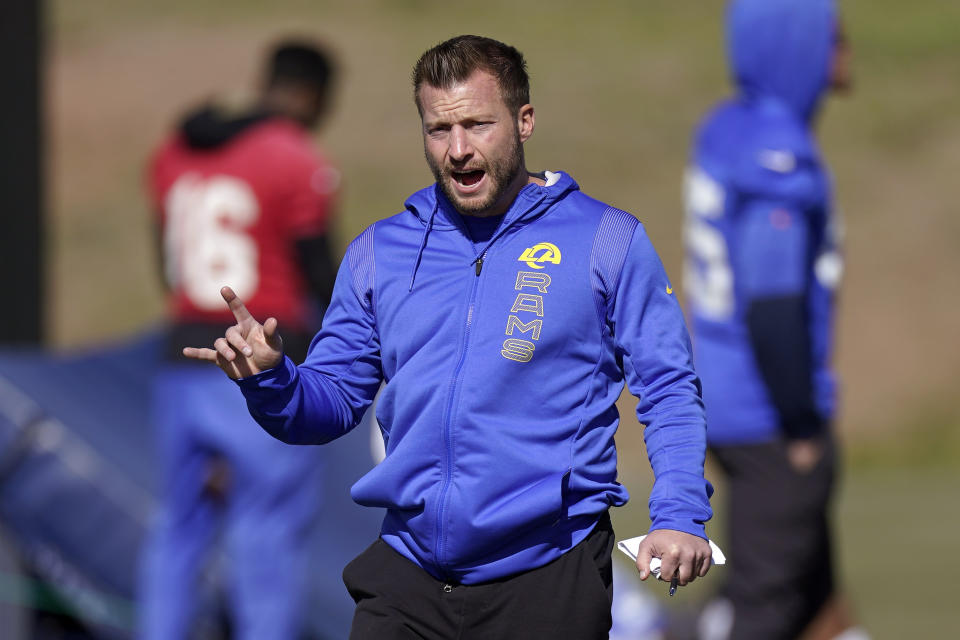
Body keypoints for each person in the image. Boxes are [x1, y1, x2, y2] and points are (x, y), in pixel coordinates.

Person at [185, 35, 714, 639]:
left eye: (477, 125)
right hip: (408, 576)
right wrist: (272, 380)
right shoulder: (380, 253)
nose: (458, 150)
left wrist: (679, 516)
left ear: (524, 121)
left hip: (547, 575)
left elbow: (670, 388)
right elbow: (327, 407)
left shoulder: (606, 241)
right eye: (439, 130)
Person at [139, 39, 340, 640]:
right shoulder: (293, 157)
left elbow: (167, 267)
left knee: (176, 528)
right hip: (256, 362)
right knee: (266, 533)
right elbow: (322, 278)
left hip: (181, 360)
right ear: (312, 95)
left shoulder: (174, 150)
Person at [682, 1, 868, 638]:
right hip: (768, 414)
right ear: (794, 46)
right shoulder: (777, 150)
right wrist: (799, 422)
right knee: (761, 613)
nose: (845, 49)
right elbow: (772, 299)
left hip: (728, 398)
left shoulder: (730, 128)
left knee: (817, 607)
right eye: (832, 36)